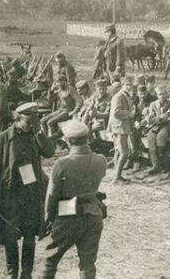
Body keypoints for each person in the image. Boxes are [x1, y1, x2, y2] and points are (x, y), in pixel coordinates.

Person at [0, 102, 55, 279]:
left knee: (29, 236)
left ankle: (26, 274)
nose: (31, 125)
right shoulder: (3, 138)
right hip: (10, 195)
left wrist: (39, 131)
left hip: (31, 194)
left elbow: (49, 152)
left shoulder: (35, 135)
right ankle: (12, 273)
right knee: (11, 236)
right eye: (29, 121)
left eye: (35, 121)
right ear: (17, 119)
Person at [39, 120, 107, 279]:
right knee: (88, 262)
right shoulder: (101, 160)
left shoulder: (62, 163)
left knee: (51, 259)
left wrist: (48, 217)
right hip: (93, 213)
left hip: (67, 213)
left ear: (68, 141)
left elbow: (52, 195)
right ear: (87, 138)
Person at [144, 86, 170, 175]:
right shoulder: (153, 104)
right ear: (157, 96)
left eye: (163, 94)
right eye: (159, 94)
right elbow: (150, 117)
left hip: (168, 125)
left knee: (161, 137)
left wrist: (169, 113)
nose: (162, 96)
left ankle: (164, 164)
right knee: (151, 138)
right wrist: (159, 118)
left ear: (166, 94)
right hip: (156, 125)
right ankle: (155, 165)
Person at [108, 77, 134, 184]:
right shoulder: (118, 97)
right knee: (124, 152)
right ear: (122, 85)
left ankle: (116, 175)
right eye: (126, 85)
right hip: (119, 127)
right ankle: (117, 177)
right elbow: (116, 112)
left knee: (118, 151)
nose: (128, 87)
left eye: (130, 85)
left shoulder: (125, 95)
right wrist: (130, 114)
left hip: (120, 126)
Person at [40, 75, 76, 140]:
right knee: (42, 121)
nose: (59, 84)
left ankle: (53, 142)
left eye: (61, 82)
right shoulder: (59, 90)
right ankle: (45, 141)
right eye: (58, 82)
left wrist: (74, 111)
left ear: (65, 82)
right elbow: (50, 100)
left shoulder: (70, 89)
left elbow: (79, 100)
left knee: (50, 122)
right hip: (61, 110)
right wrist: (51, 90)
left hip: (68, 111)